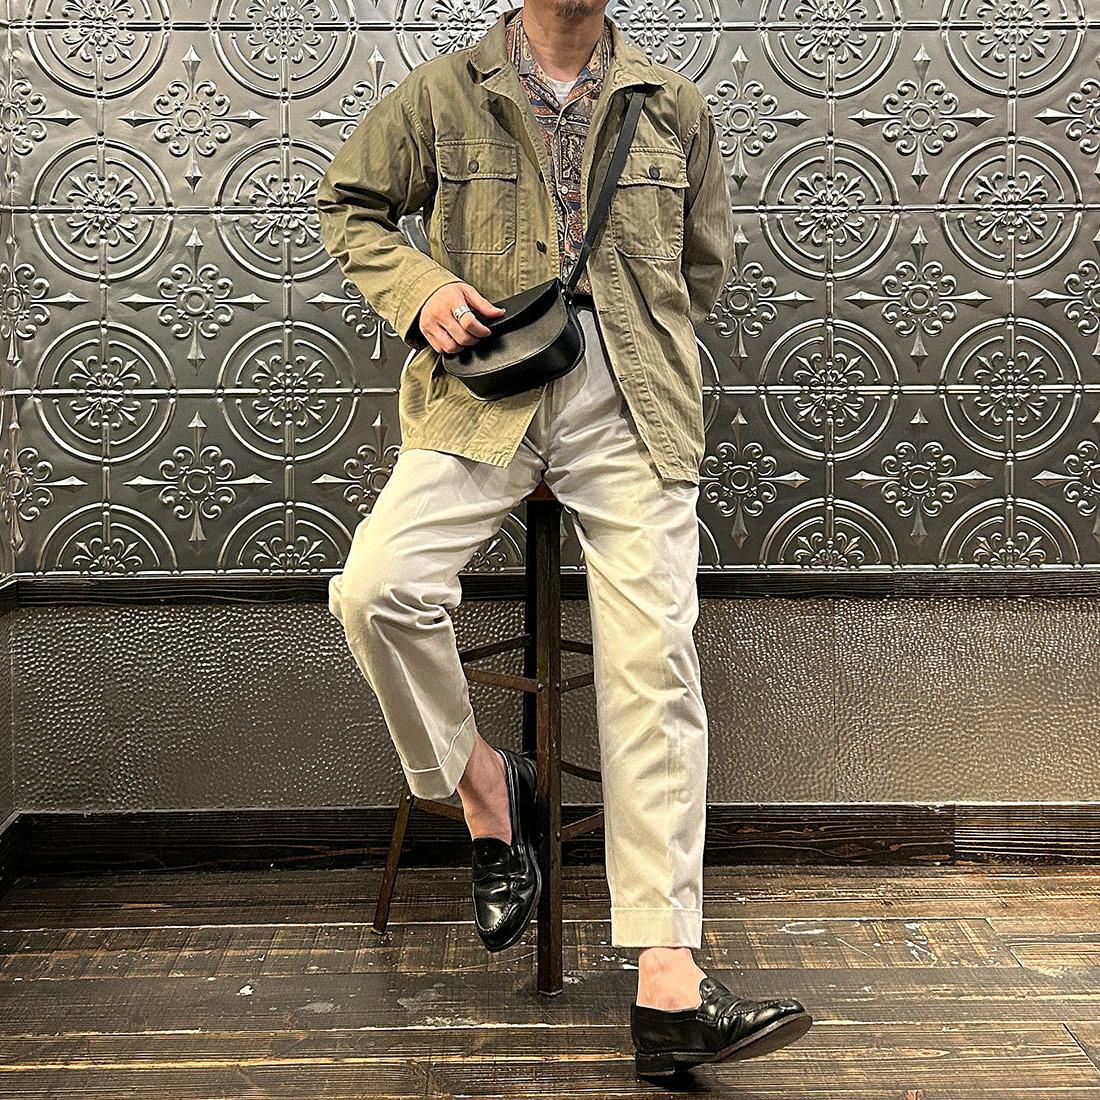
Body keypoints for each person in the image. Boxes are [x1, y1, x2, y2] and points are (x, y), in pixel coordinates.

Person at [315, 0, 813, 1079]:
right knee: (376, 588)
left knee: (653, 659)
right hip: (482, 392)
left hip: (630, 399)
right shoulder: (442, 93)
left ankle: (668, 982)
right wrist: (422, 291)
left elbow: (702, 268)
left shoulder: (671, 106)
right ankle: (487, 788)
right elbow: (348, 207)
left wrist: (628, 343)